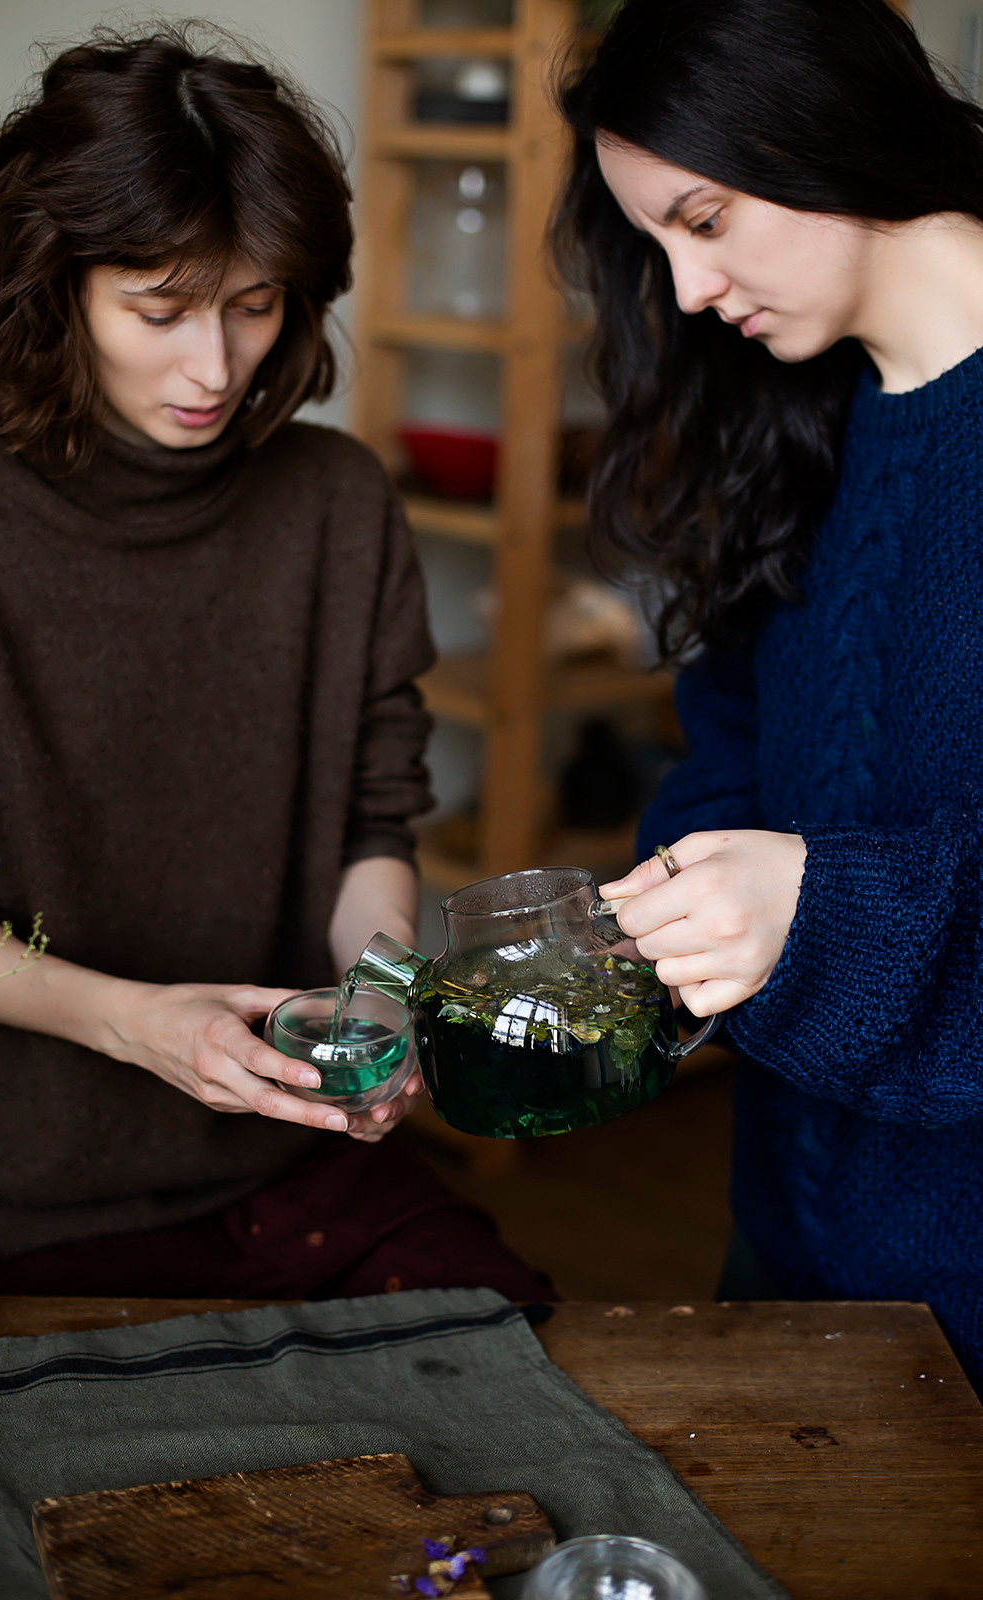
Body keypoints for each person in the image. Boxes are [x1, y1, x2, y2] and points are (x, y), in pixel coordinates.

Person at [0, 24, 551, 1303]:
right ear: (56, 289)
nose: (213, 367)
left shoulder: (337, 503)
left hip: (287, 1147)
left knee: (514, 1373)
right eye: (158, 310)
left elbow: (371, 817)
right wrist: (135, 1023)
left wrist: (377, 997)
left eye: (253, 306)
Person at [552, 0, 983, 1390]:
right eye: (653, 243)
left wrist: (823, 905)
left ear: (810, 126)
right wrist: (681, 920)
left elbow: (829, 882)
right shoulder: (784, 414)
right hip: (791, 1222)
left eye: (702, 218)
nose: (681, 290)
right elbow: (729, 738)